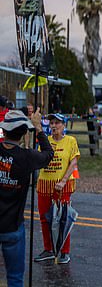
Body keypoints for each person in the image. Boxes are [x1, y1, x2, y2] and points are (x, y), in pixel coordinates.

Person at [0, 110, 54, 287]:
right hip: (13, 226)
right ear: (24, 133)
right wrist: (38, 128)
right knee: (15, 278)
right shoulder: (27, 156)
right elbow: (48, 154)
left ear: (4, 131)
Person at [34, 113, 80, 264]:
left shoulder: (70, 141)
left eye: (57, 123)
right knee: (44, 218)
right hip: (45, 183)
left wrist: (64, 180)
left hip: (63, 186)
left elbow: (73, 163)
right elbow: (40, 158)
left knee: (63, 219)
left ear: (64, 125)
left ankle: (64, 252)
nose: (54, 126)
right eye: (52, 123)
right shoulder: (45, 141)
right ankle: (48, 249)